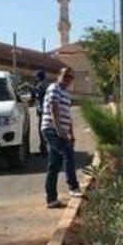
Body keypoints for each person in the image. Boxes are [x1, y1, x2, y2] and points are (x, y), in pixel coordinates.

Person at [42, 67, 82, 208]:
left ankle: (51, 199)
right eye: (65, 75)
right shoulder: (54, 88)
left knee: (54, 165)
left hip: (62, 130)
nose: (67, 79)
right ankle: (73, 187)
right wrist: (59, 130)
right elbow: (54, 109)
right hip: (51, 129)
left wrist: (71, 133)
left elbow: (67, 115)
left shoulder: (65, 93)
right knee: (68, 154)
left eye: (70, 77)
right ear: (59, 75)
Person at [33, 70, 48, 154]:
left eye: (36, 77)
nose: (35, 78)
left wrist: (32, 89)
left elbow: (37, 95)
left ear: (38, 77)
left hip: (43, 111)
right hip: (46, 111)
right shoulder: (47, 85)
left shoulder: (40, 86)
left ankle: (44, 149)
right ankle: (43, 148)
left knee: (42, 130)